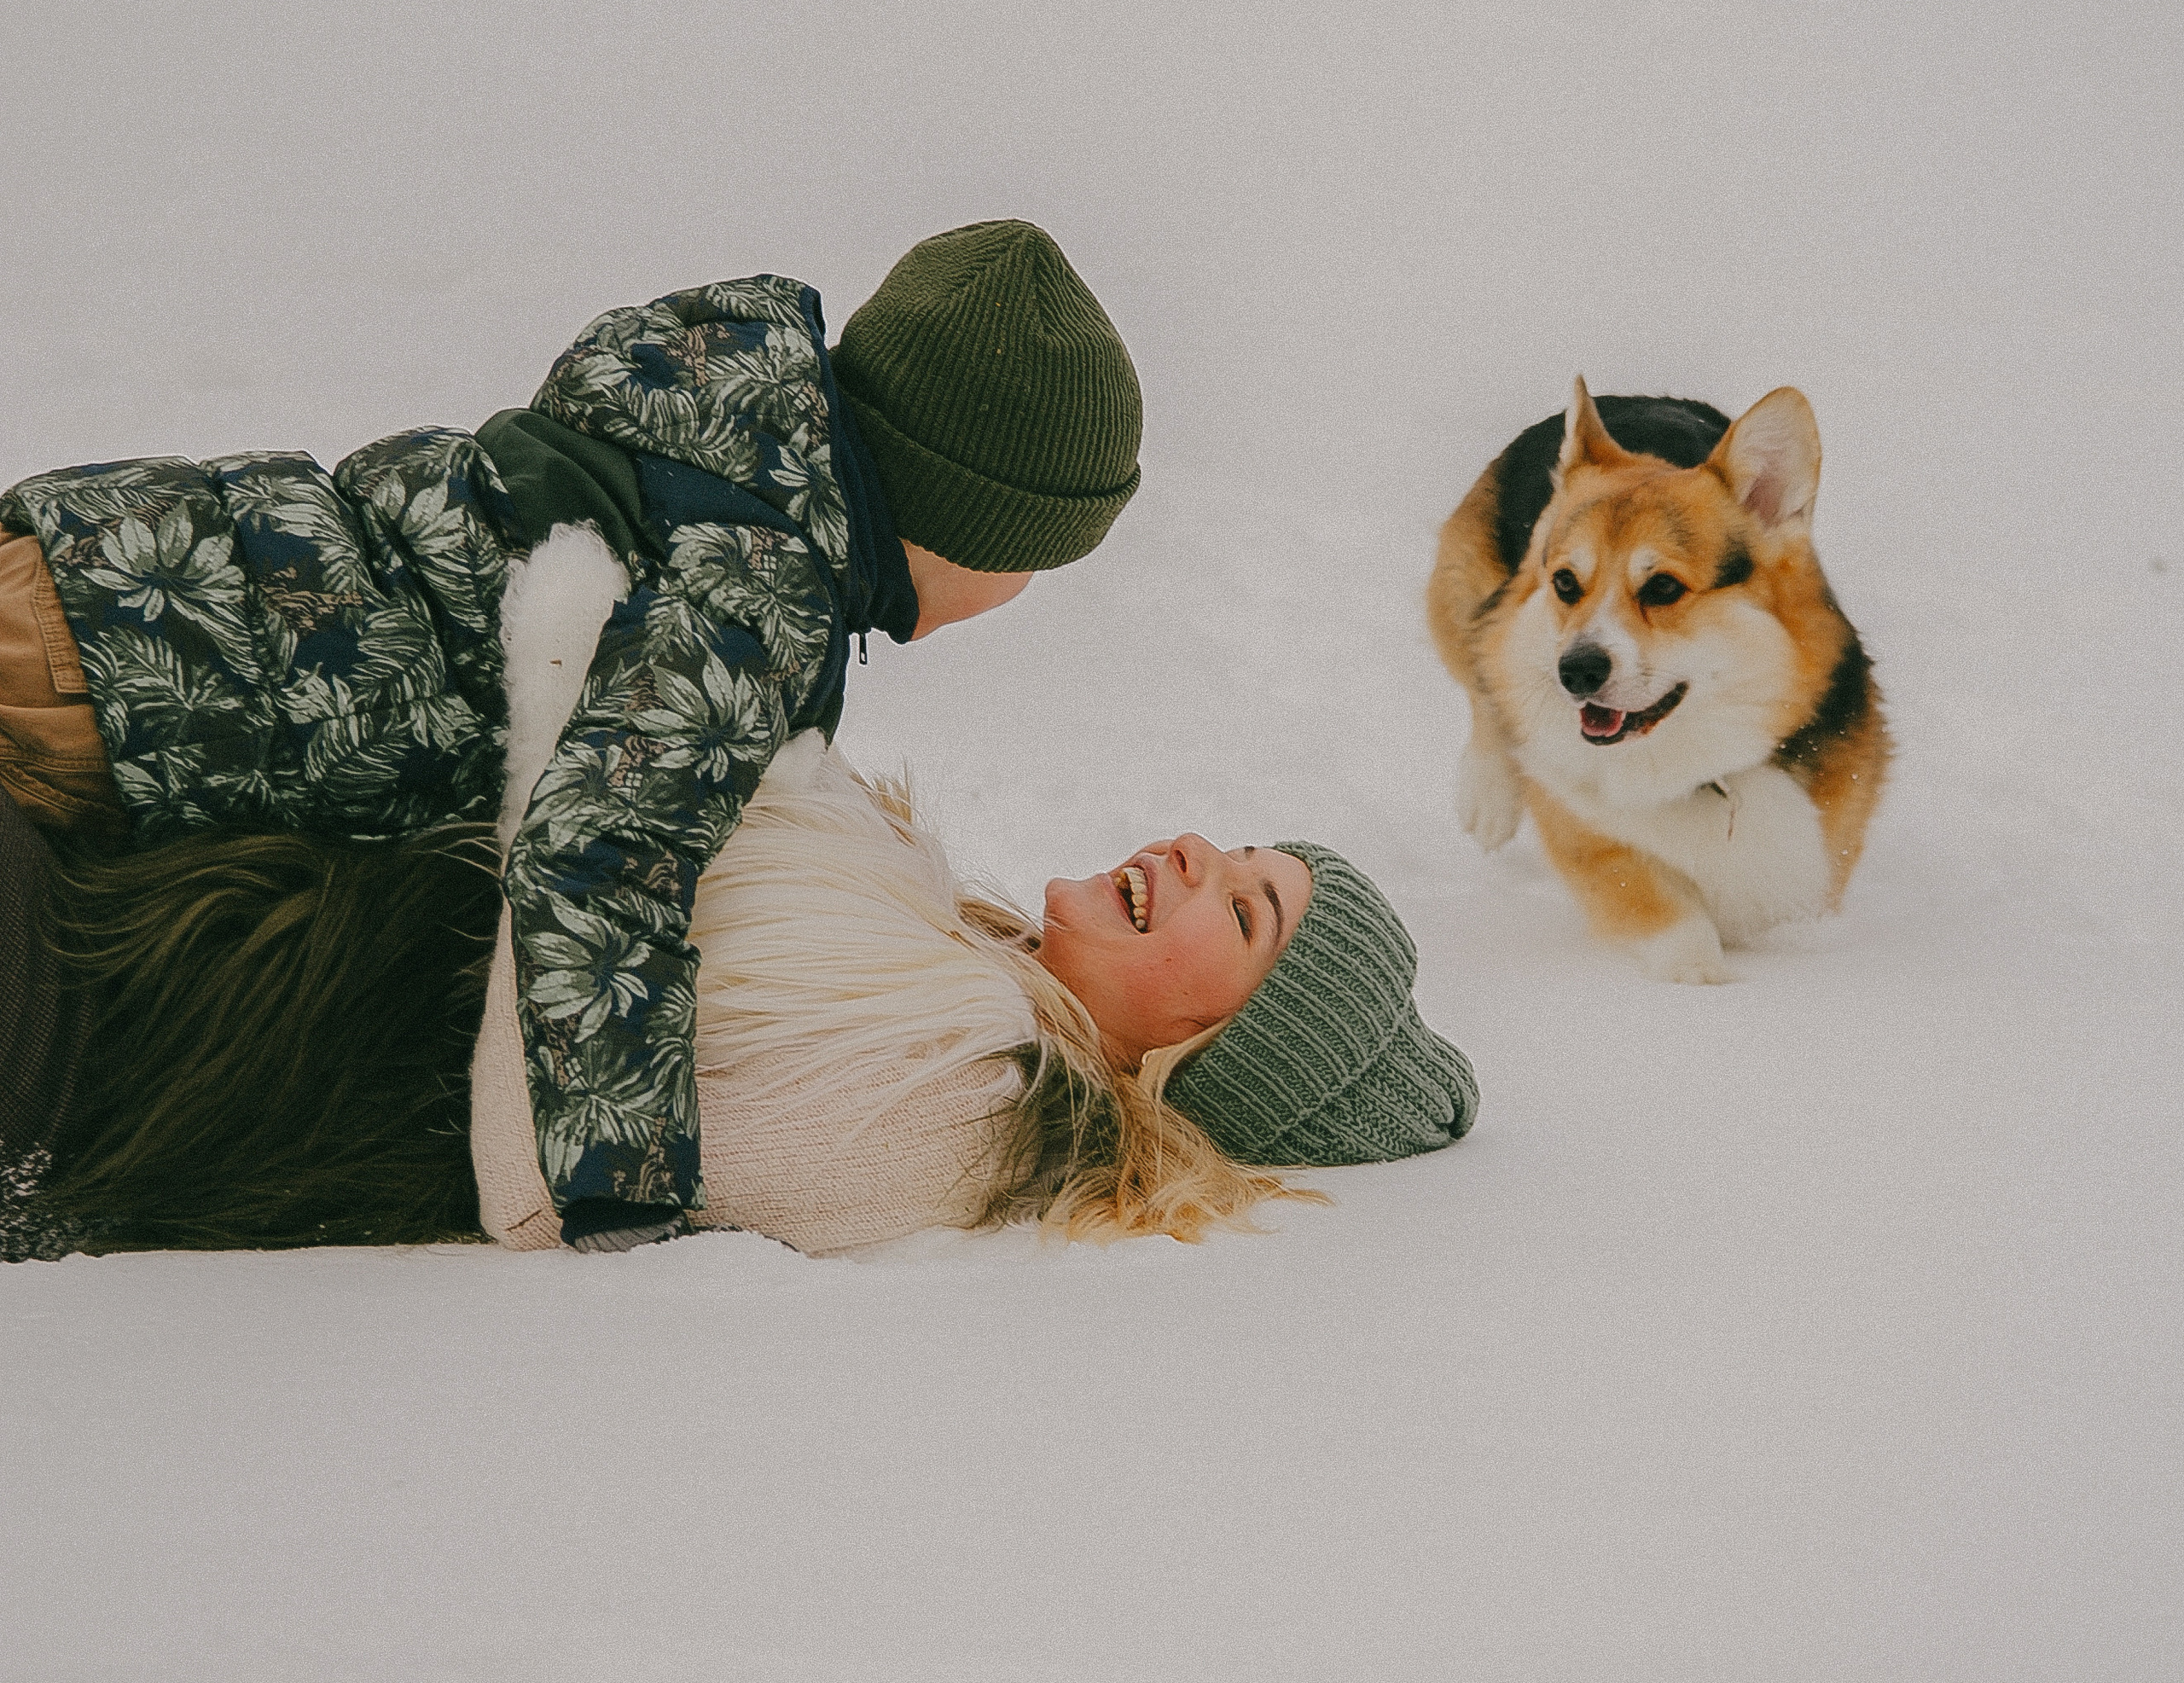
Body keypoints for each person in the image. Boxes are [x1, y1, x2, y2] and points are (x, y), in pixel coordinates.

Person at [0, 220, 1143, 1247]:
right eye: (1040, 560)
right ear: (973, 521)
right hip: (137, 674)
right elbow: (598, 859)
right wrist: (617, 1184)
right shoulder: (757, 589)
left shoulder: (714, 455)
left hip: (108, 573)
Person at [5, 732, 1478, 1262]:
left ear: (1203, 1052)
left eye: (1245, 908)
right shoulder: (928, 930)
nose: (1198, 852)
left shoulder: (963, 1115)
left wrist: (588, 776)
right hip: (191, 892)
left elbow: (557, 1172)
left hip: (186, 1039)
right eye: (1243, 852)